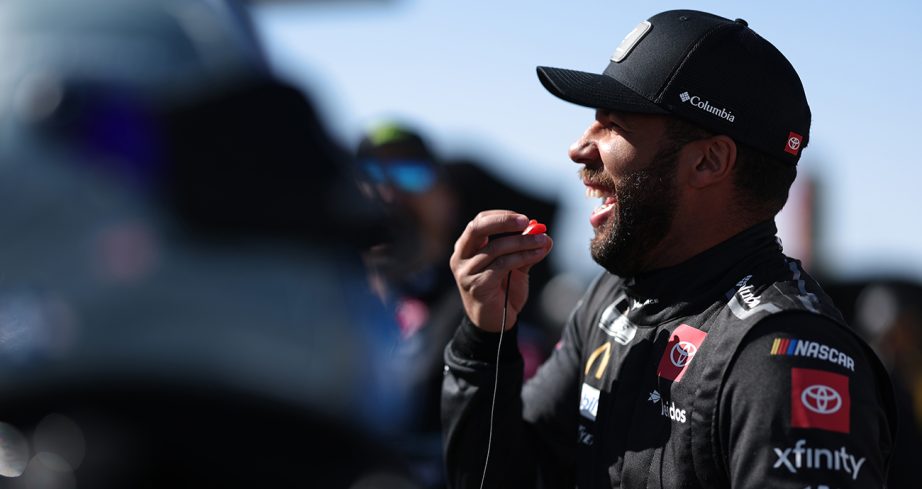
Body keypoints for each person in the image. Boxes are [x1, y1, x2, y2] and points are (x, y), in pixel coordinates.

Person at [441, 9, 897, 489]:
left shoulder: (782, 357)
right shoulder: (613, 297)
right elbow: (510, 476)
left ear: (708, 161)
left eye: (613, 124)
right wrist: (484, 339)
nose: (579, 147)